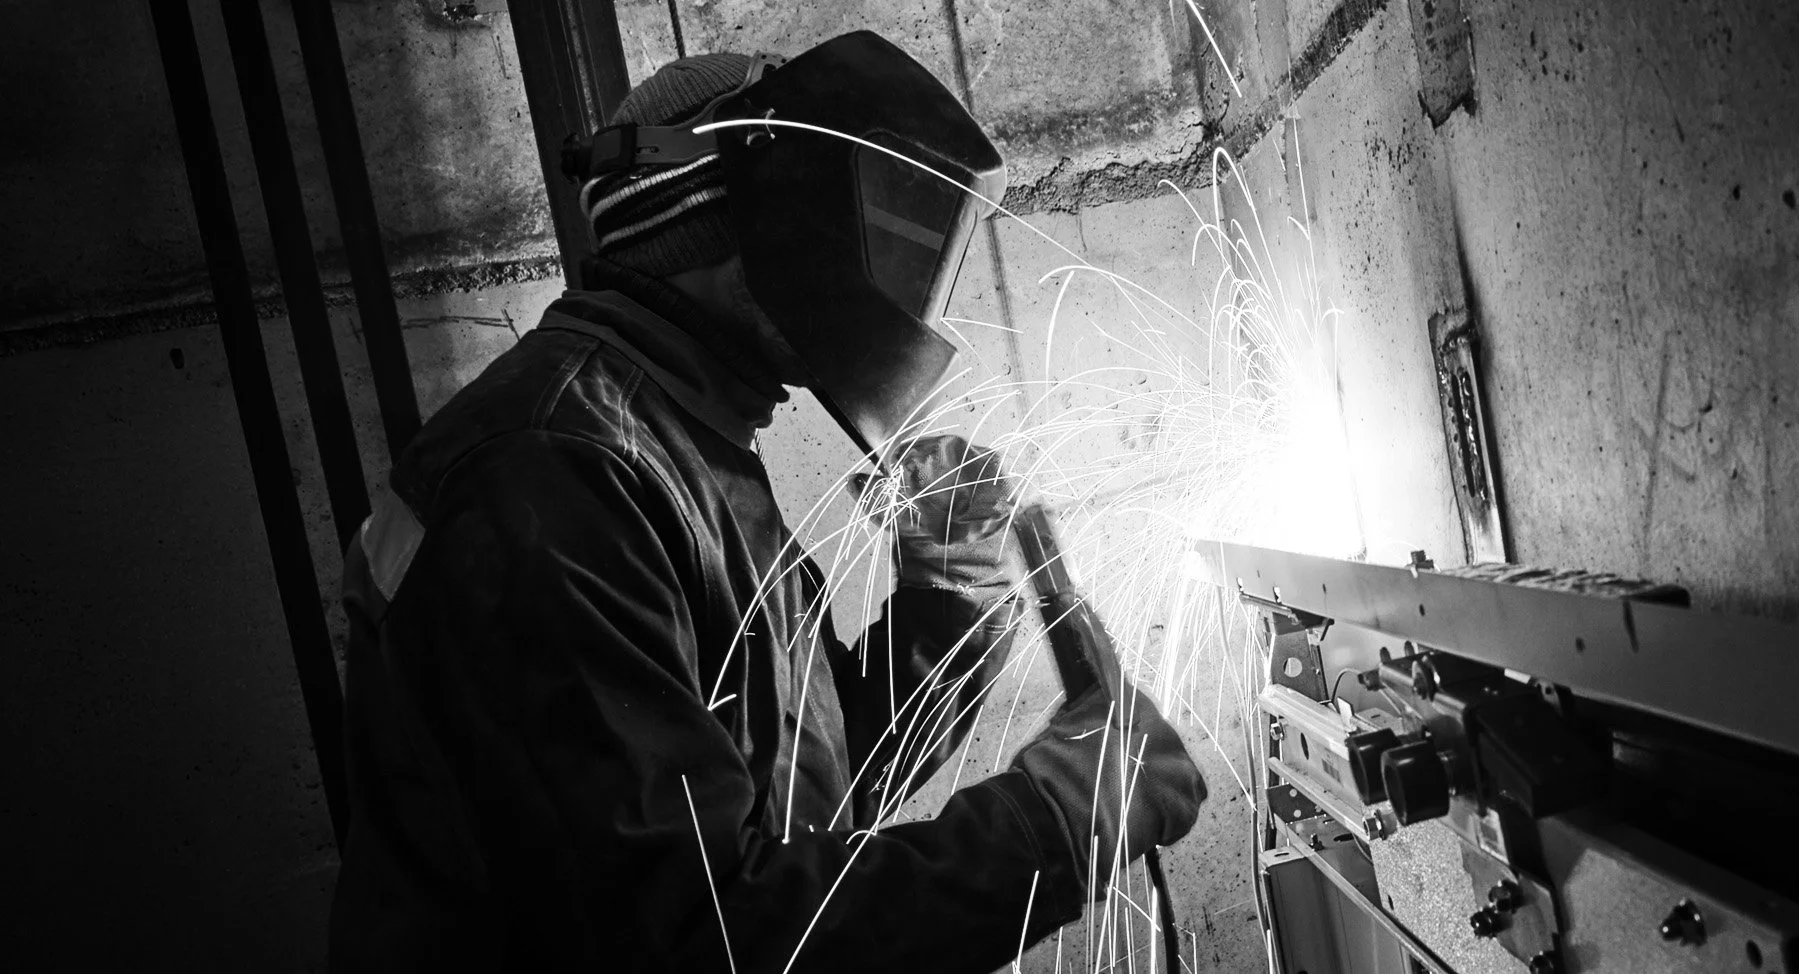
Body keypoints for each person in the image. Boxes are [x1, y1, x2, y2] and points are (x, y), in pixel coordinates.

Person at [329, 31, 1207, 972]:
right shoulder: (552, 476)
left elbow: (803, 788)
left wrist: (947, 591)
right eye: (856, 219)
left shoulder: (683, 442)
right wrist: (1057, 822)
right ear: (749, 213)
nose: (886, 272)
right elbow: (705, 936)